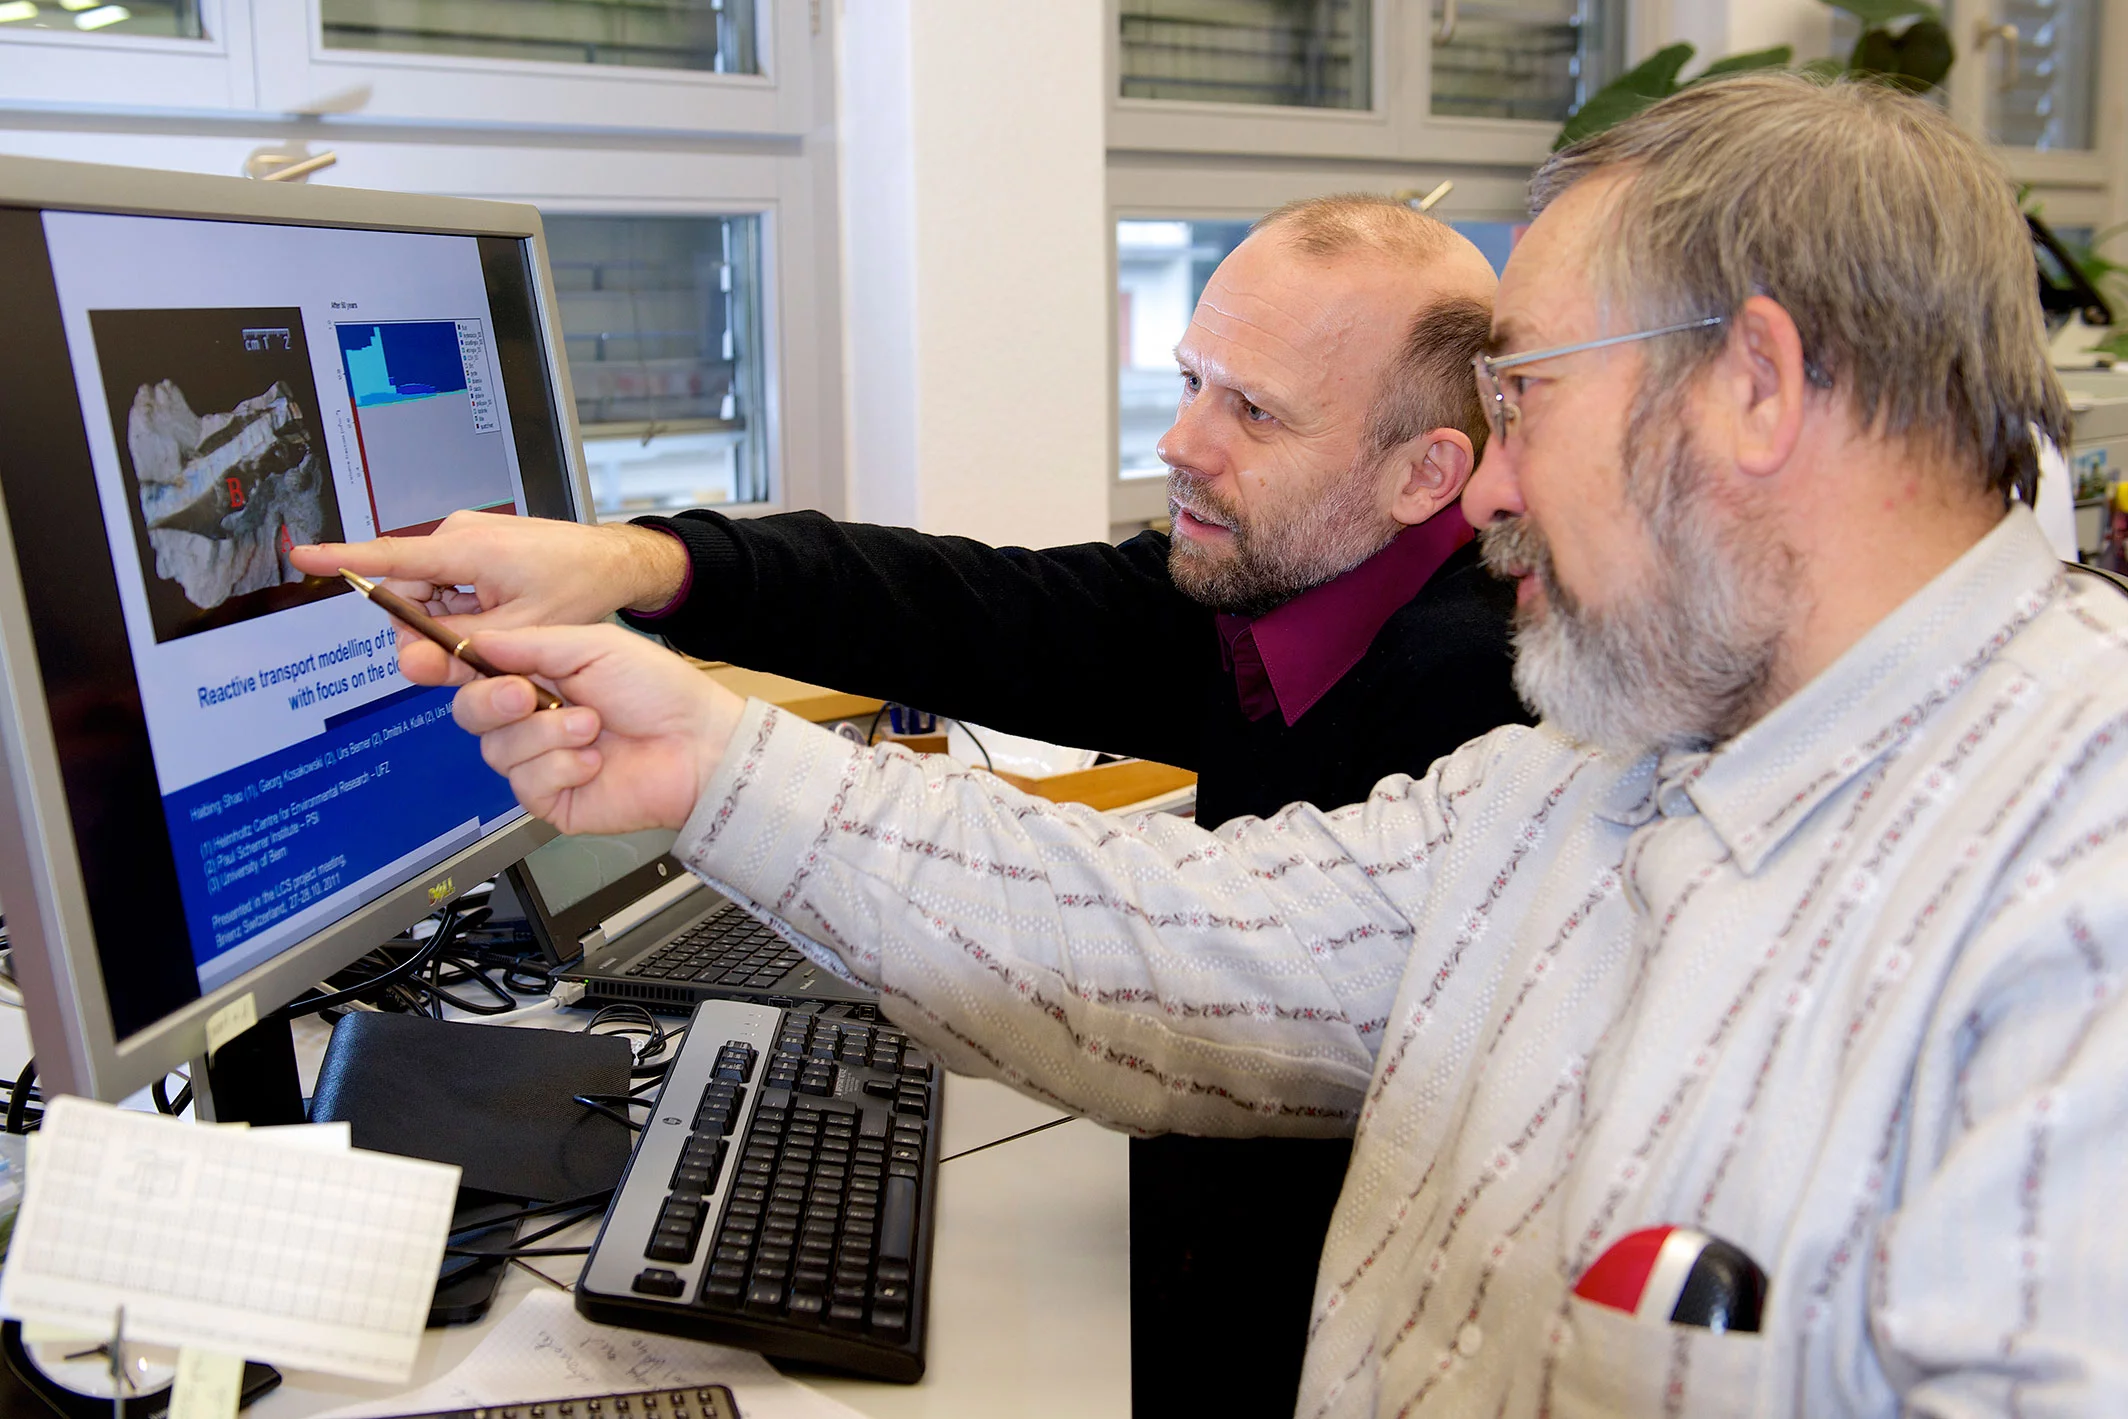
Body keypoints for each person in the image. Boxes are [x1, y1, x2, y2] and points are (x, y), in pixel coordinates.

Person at [413, 73, 2128, 1414]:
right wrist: (705, 761)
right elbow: (1178, 939)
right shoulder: (1595, 766)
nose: (1500, 482)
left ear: (1754, 386)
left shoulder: (2077, 888)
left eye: (1526, 396)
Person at [294, 197, 1525, 1416]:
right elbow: (966, 604)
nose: (1181, 442)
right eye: (1192, 380)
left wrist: (720, 770)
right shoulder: (1269, 582)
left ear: (1426, 473)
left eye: (1251, 410)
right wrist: (635, 562)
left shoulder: (1476, 690)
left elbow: (1232, 982)